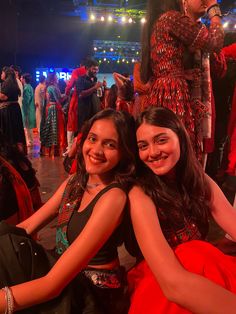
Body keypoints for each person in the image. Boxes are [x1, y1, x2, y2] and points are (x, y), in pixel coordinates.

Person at [0, 108, 136, 314]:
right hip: (62, 273)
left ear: (124, 152)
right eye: (93, 139)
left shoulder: (113, 197)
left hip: (90, 294)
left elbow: (51, 286)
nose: (97, 150)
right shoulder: (76, 181)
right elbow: (27, 226)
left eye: (110, 144)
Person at [128, 106, 236, 314]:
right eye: (143, 146)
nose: (152, 152)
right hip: (162, 285)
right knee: (194, 252)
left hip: (201, 271)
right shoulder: (140, 193)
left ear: (180, 137)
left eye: (161, 140)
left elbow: (232, 221)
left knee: (200, 252)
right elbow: (173, 284)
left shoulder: (198, 179)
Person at [140, 0, 224, 161]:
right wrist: (214, 10)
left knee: (167, 147)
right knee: (178, 150)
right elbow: (215, 43)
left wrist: (181, 74)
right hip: (174, 93)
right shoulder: (172, 19)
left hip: (166, 90)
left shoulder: (163, 20)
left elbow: (166, 64)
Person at [0, 66, 26, 154]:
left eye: (2, 73)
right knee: (16, 133)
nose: (1, 74)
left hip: (9, 111)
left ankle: (11, 153)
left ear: (6, 73)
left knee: (10, 133)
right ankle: (18, 153)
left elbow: (4, 97)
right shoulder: (13, 81)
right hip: (14, 109)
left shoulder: (7, 82)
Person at [40, 72, 67, 156]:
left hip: (50, 108)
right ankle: (58, 150)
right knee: (57, 129)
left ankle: (50, 150)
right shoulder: (52, 87)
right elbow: (58, 100)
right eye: (56, 77)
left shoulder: (49, 87)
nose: (58, 78)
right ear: (53, 79)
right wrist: (68, 93)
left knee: (51, 128)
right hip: (55, 109)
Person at [76, 59, 105, 132]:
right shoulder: (80, 79)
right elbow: (80, 94)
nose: (96, 71)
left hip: (95, 112)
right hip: (85, 113)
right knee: (83, 134)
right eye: (94, 69)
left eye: (97, 69)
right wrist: (95, 87)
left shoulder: (95, 79)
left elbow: (98, 96)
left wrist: (103, 87)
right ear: (87, 68)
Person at [65, 64, 86, 151]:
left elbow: (70, 86)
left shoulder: (76, 71)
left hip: (76, 99)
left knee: (71, 123)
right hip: (87, 100)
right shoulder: (92, 72)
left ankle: (70, 148)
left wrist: (67, 90)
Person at [21, 73, 36, 147]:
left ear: (24, 79)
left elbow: (26, 101)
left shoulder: (26, 88)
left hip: (27, 110)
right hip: (30, 109)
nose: (20, 79)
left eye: (21, 78)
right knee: (28, 127)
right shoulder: (30, 87)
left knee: (27, 127)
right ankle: (31, 141)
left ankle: (30, 141)